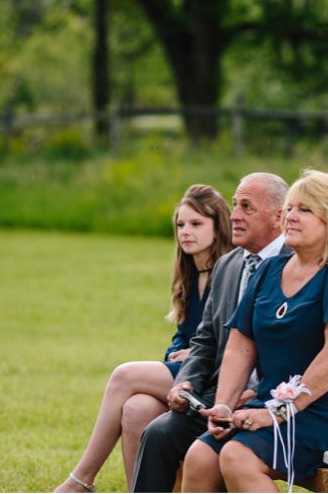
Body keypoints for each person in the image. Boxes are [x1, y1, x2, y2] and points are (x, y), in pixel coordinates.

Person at [182, 170, 328, 493]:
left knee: (238, 456)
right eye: (290, 208)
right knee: (200, 457)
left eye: (304, 210)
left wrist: (278, 413)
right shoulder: (269, 269)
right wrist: (224, 405)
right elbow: (240, 345)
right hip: (279, 411)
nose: (291, 216)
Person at [54, 184, 234, 493]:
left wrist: (191, 353)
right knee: (136, 408)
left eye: (196, 224)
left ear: (218, 227)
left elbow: (231, 341)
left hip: (213, 379)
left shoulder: (230, 271)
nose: (185, 232)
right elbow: (181, 336)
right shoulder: (191, 274)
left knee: (124, 376)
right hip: (186, 373)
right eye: (180, 225)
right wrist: (180, 349)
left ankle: (80, 481)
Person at [129, 173, 291, 492]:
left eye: (246, 207)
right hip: (219, 397)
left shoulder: (296, 263)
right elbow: (204, 341)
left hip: (272, 403)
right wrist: (184, 382)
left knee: (210, 453)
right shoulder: (228, 265)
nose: (234, 216)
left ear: (278, 217)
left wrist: (261, 398)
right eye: (234, 206)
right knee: (158, 433)